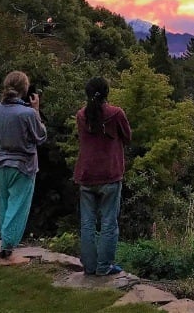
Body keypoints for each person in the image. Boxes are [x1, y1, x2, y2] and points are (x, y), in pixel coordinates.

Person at [74, 77, 132, 276]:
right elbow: (128, 137)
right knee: (108, 222)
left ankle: (89, 267)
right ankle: (104, 266)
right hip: (110, 174)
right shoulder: (116, 113)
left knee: (87, 223)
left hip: (86, 174)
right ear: (107, 93)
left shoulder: (81, 116)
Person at [0, 70, 47, 265]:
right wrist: (37, 110)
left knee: (5, 203)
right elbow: (40, 136)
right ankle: (7, 251)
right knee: (18, 207)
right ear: (25, 89)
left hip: (2, 162)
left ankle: (5, 245)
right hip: (23, 164)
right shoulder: (28, 113)